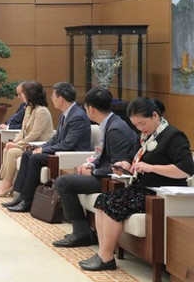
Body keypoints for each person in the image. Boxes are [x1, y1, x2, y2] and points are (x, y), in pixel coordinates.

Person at [80, 97, 194, 271]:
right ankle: (104, 253)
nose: (140, 129)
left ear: (155, 116)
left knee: (113, 204)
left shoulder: (173, 135)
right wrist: (125, 165)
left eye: (143, 124)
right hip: (140, 188)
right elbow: (131, 155)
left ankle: (106, 257)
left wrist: (151, 167)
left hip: (159, 194)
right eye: (136, 126)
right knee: (102, 201)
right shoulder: (144, 136)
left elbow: (185, 169)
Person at [52, 87, 137, 248]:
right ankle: (82, 230)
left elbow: (118, 168)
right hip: (104, 175)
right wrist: (91, 164)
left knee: (63, 182)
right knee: (65, 180)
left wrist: (93, 171)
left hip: (112, 181)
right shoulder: (110, 123)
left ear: (91, 109)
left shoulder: (115, 129)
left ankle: (81, 232)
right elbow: (102, 155)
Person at [3, 81, 91, 212]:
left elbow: (67, 144)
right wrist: (42, 147)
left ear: (61, 99)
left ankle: (27, 200)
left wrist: (43, 150)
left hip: (70, 155)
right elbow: (55, 138)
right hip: (60, 151)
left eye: (53, 96)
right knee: (28, 154)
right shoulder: (66, 113)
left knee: (35, 158)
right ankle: (21, 196)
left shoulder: (77, 116)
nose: (52, 99)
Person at [0, 81, 54, 193]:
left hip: (37, 145)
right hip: (27, 144)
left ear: (30, 94)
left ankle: (7, 184)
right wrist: (14, 142)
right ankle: (6, 182)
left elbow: (34, 134)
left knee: (12, 152)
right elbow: (23, 131)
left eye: (23, 93)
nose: (21, 96)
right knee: (7, 148)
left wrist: (17, 144)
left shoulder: (42, 111)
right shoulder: (29, 109)